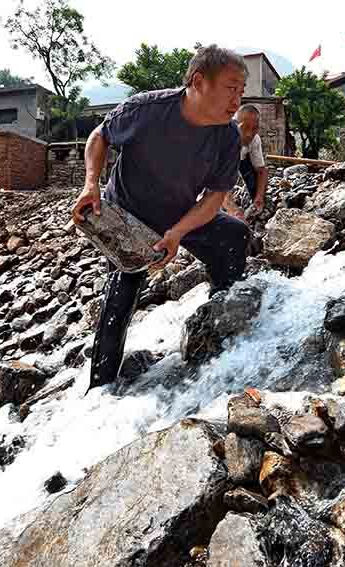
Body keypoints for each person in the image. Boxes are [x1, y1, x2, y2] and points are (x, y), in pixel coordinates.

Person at [71, 45, 250, 391]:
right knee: (122, 292)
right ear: (199, 82)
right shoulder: (147, 110)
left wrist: (178, 232)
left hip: (177, 217)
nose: (237, 99)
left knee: (234, 235)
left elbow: (214, 198)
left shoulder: (227, 135)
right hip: (128, 219)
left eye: (241, 92)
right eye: (231, 88)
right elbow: (99, 137)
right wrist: (91, 184)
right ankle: (100, 391)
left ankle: (221, 323)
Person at [223, 104, 268, 220]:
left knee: (253, 177)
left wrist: (259, 197)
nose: (249, 134)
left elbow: (261, 171)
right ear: (234, 124)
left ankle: (255, 206)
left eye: (254, 129)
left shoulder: (255, 139)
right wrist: (232, 208)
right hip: (220, 166)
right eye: (244, 128)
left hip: (242, 159)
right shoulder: (223, 139)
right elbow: (220, 181)